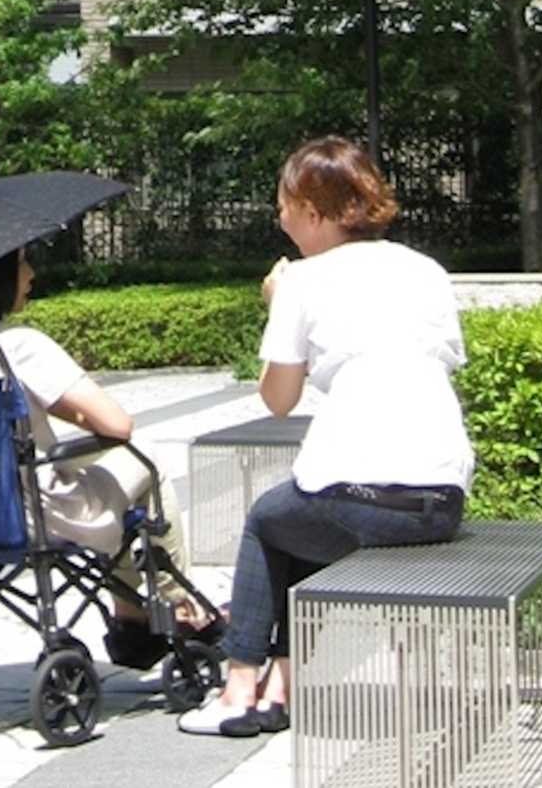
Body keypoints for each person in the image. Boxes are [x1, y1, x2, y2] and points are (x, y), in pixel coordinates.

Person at [178, 136, 474, 737]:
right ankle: (281, 686)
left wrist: (276, 302)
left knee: (269, 520)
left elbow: (278, 401)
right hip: (441, 499)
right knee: (298, 518)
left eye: (284, 205)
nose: (279, 216)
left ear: (313, 212)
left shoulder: (303, 282)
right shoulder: (427, 272)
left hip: (359, 497)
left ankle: (238, 688)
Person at [0, 244, 205, 656]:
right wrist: (75, 412)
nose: (30, 274)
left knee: (99, 466)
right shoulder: (18, 344)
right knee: (144, 457)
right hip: (45, 512)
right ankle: (171, 607)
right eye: (20, 264)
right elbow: (117, 424)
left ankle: (133, 612)